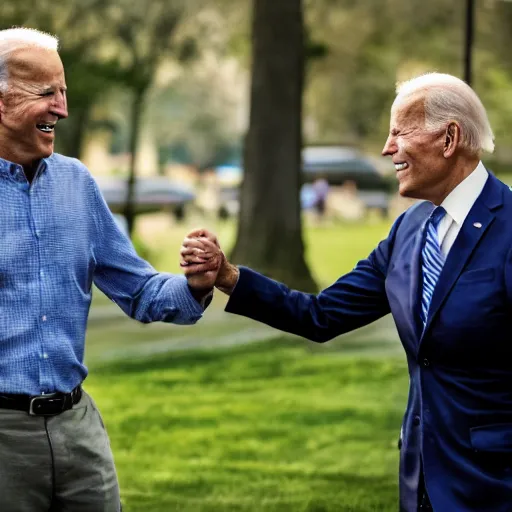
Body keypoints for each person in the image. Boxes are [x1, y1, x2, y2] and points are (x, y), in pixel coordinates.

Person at [181, 72, 512, 511]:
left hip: (495, 487)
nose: (386, 147)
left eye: (399, 131)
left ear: (449, 138)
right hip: (421, 486)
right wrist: (227, 276)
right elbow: (321, 316)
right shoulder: (408, 232)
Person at [0, 28, 216, 512]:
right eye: (47, 93)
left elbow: (138, 289)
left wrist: (194, 285)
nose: (62, 108)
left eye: (64, 92)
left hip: (78, 430)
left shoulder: (77, 184)